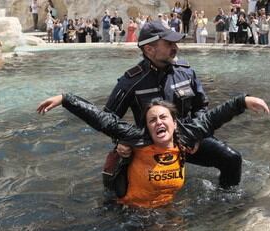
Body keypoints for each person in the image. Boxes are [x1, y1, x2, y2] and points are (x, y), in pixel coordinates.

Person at [37, 93, 269, 208]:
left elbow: (212, 117)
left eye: (163, 118)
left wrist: (243, 101)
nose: (158, 123)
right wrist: (65, 99)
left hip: (167, 208)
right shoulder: (138, 139)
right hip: (129, 214)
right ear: (147, 127)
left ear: (174, 123)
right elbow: (103, 120)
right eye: (152, 120)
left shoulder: (185, 136)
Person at [100, 20, 247, 199]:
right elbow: (108, 119)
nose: (175, 47)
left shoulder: (186, 72)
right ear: (149, 49)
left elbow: (201, 107)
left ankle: (224, 204)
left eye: (175, 43)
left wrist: (197, 137)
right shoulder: (131, 81)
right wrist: (121, 142)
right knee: (123, 194)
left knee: (232, 159)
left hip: (186, 139)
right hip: (147, 144)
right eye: (169, 43)